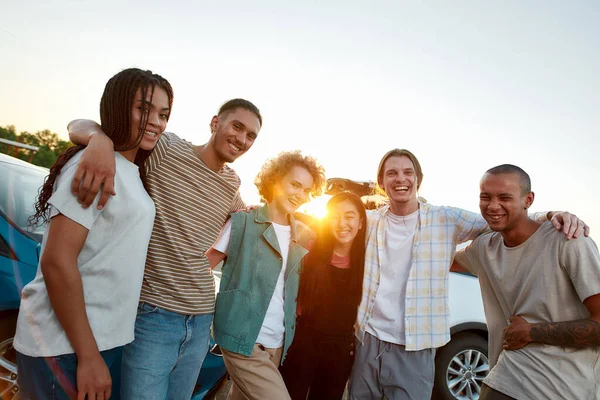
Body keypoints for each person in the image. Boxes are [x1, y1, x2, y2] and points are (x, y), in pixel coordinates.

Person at [348, 148, 589, 400]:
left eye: (408, 172)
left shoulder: (445, 218)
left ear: (418, 178)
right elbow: (335, 226)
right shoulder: (370, 222)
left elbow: (504, 219)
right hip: (368, 338)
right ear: (381, 182)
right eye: (392, 173)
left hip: (416, 345)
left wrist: (549, 215)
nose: (400, 179)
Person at [67, 98, 262, 399]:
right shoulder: (166, 149)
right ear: (214, 122)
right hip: (153, 314)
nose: (242, 139)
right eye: (237, 126)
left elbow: (243, 223)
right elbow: (78, 126)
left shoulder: (232, 183)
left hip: (201, 319)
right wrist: (97, 140)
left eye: (251, 135)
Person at [14, 68, 173, 400]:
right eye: (143, 109)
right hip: (66, 346)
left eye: (163, 113)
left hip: (98, 342)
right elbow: (57, 262)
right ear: (117, 106)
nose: (155, 121)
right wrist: (88, 356)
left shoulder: (130, 169)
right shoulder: (96, 165)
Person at [451, 164, 600, 400]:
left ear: (528, 199)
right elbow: (438, 261)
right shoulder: (484, 248)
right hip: (506, 378)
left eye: (505, 197)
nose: (493, 206)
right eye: (485, 197)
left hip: (564, 388)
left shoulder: (569, 241)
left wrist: (532, 332)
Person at [205, 151, 326, 400]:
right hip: (241, 339)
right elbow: (203, 266)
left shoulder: (303, 234)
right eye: (295, 184)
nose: (300, 195)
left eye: (306, 190)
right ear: (275, 180)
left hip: (277, 342)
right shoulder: (243, 222)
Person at [279, 192, 367, 400]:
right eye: (335, 216)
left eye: (349, 216)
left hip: (340, 349)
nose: (342, 223)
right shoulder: (309, 250)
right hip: (302, 343)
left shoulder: (367, 261)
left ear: (361, 222)